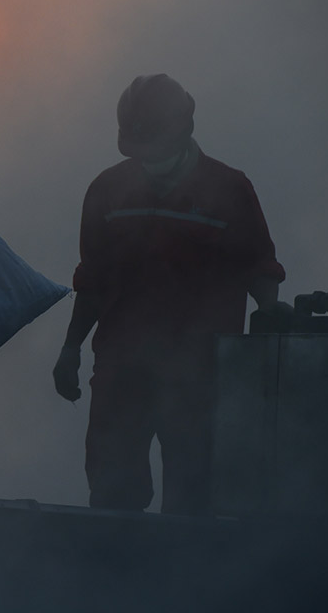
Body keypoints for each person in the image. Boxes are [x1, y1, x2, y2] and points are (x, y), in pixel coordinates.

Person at [52, 73, 287, 516]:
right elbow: (94, 278)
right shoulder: (107, 191)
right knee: (112, 497)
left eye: (154, 145)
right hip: (122, 369)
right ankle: (117, 575)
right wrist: (70, 348)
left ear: (184, 129)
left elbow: (259, 266)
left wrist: (271, 312)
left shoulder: (229, 190)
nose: (147, 157)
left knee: (193, 499)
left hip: (201, 373)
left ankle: (185, 582)